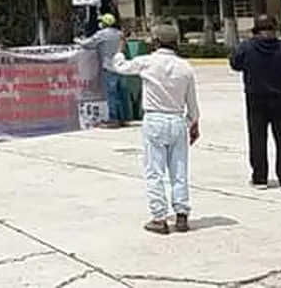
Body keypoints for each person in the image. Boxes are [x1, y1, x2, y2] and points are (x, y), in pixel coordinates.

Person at [106, 23, 200, 234]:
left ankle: (159, 217)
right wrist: (194, 123)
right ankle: (182, 214)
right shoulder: (185, 66)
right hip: (178, 120)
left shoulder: (147, 62)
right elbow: (192, 102)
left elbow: (120, 67)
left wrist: (120, 49)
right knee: (179, 170)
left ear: (155, 42)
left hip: (155, 119)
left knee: (154, 170)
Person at [231, 14, 281, 191]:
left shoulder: (247, 47)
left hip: (255, 99)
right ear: (275, 29)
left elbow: (235, 64)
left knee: (257, 138)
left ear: (256, 30)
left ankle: (260, 178)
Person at [78, 13, 126, 127]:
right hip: (120, 66)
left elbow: (87, 44)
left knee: (111, 94)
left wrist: (79, 40)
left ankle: (113, 119)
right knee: (120, 93)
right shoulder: (119, 34)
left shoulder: (102, 34)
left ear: (104, 23)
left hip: (108, 67)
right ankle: (122, 118)